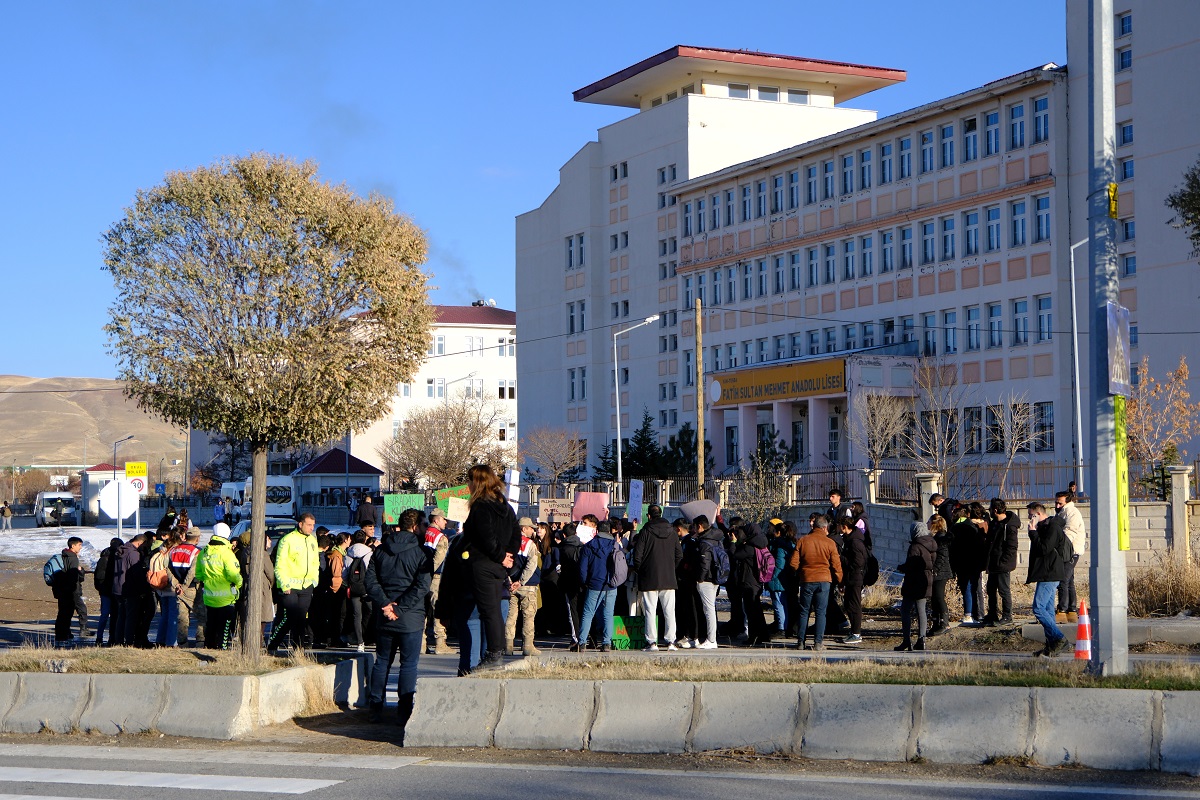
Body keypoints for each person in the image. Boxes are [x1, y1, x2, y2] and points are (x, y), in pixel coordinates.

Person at [364, 507, 432, 736]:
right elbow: (422, 586)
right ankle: (403, 711)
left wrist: (385, 604)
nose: (425, 530)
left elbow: (370, 581)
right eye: (423, 525)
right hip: (409, 616)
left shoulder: (381, 551)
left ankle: (375, 708)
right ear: (414, 527)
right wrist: (399, 608)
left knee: (382, 661)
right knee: (409, 664)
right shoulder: (421, 554)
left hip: (385, 615)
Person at [458, 464, 521, 670]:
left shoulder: (480, 506)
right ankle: (495, 651)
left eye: (469, 481)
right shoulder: (505, 506)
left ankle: (494, 653)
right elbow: (515, 534)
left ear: (476, 482)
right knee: (494, 609)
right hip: (499, 566)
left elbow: (486, 536)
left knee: (489, 611)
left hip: (484, 563)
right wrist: (509, 557)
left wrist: (502, 556)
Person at [266, 513, 319, 654]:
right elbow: (280, 564)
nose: (311, 528)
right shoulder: (288, 540)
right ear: (300, 524)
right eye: (308, 525)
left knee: (301, 619)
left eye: (313, 525)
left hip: (306, 585)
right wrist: (284, 584)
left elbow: (315, 562)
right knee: (290, 618)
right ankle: (273, 645)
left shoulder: (313, 540)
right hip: (290, 586)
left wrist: (314, 580)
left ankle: (298, 650)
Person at [632, 504, 683, 651]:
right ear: (661, 514)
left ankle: (651, 642)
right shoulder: (672, 532)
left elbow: (637, 556)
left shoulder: (645, 531)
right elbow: (679, 555)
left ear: (649, 515)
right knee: (669, 611)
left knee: (650, 610)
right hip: (668, 577)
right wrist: (671, 568)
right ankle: (671, 641)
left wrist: (640, 570)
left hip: (649, 577)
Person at [790, 515, 843, 651]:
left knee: (804, 611)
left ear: (814, 526)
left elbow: (793, 563)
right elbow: (836, 565)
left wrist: (800, 572)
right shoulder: (830, 543)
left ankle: (801, 642)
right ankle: (818, 643)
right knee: (821, 612)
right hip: (824, 580)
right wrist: (840, 580)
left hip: (807, 579)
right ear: (824, 527)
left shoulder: (803, 540)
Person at [1026, 501, 1070, 657]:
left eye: (1031, 516)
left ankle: (1059, 638)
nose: (1029, 519)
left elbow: (1044, 548)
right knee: (1048, 611)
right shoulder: (1043, 527)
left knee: (1038, 608)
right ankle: (1051, 647)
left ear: (1038, 514)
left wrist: (1033, 532)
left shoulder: (1052, 528)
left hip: (1050, 573)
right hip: (1045, 572)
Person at [194, 523, 242, 649]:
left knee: (211, 626)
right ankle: (222, 650)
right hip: (226, 598)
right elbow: (233, 574)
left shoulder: (204, 551)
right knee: (224, 629)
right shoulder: (227, 553)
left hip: (209, 597)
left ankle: (209, 649)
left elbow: (198, 574)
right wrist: (239, 583)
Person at [577, 521, 622, 651]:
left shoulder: (589, 546)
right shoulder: (615, 546)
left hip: (594, 584)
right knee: (608, 614)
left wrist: (585, 581)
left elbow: (582, 569)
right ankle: (607, 643)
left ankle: (582, 643)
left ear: (597, 531)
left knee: (588, 613)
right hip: (611, 584)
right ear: (609, 531)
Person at [729, 521, 771, 647]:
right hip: (756, 581)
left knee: (751, 611)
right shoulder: (761, 543)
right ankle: (763, 635)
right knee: (757, 610)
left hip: (749, 582)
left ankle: (753, 637)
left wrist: (733, 542)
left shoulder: (749, 547)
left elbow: (735, 555)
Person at [895, 521, 937, 651]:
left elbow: (911, 565)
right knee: (921, 610)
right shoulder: (932, 544)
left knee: (905, 610)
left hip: (913, 580)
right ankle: (921, 639)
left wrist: (901, 567)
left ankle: (907, 640)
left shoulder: (915, 546)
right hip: (926, 579)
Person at [504, 517, 542, 656]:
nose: (533, 531)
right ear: (524, 529)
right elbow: (531, 565)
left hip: (510, 585)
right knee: (528, 616)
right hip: (527, 586)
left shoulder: (507, 542)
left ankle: (508, 646)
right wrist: (521, 581)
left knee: (511, 616)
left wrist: (509, 581)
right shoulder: (530, 544)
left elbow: (504, 563)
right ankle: (527, 646)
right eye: (531, 528)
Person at [983, 498, 1020, 626]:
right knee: (991, 589)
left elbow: (1012, 546)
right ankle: (992, 614)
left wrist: (1003, 562)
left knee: (1004, 590)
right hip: (993, 563)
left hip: (1002, 564)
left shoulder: (1009, 526)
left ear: (995, 510)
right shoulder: (994, 524)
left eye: (990, 509)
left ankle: (1007, 615)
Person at [949, 504, 987, 625]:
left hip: (962, 563)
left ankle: (968, 614)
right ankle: (977, 614)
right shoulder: (972, 527)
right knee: (975, 588)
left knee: (966, 588)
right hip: (975, 562)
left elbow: (953, 549)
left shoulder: (955, 528)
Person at [692, 515, 725, 650]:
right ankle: (711, 638)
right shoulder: (716, 539)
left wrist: (700, 578)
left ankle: (711, 639)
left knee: (708, 609)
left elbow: (704, 563)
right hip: (716, 577)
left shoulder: (704, 542)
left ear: (700, 526)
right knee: (710, 608)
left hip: (706, 579)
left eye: (694, 526)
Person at [423, 508, 452, 654]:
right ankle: (440, 643)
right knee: (437, 608)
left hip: (421, 577)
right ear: (436, 520)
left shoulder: (423, 533)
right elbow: (438, 560)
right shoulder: (440, 537)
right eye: (443, 519)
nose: (445, 522)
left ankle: (421, 644)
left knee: (422, 609)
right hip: (435, 577)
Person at [1055, 490, 1085, 624]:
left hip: (1070, 551)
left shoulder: (1072, 513)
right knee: (1069, 581)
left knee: (1063, 580)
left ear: (1068, 502)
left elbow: (1069, 532)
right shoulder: (1063, 512)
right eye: (1056, 502)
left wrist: (1057, 544)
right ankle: (1071, 611)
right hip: (1069, 550)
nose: (1056, 506)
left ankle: (1062, 610)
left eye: (1059, 503)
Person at [168, 529, 201, 646]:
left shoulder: (173, 550)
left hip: (178, 590)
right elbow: (192, 572)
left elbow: (168, 569)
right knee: (201, 616)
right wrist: (185, 586)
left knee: (182, 617)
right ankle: (200, 642)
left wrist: (176, 584)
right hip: (193, 589)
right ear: (197, 539)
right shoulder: (196, 552)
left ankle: (182, 643)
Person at [839, 517, 869, 645]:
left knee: (854, 605)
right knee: (848, 605)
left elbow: (858, 562)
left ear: (845, 526)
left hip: (856, 577)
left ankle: (856, 633)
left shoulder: (855, 542)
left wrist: (842, 558)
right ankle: (853, 631)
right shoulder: (850, 539)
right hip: (851, 577)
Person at [52, 537, 87, 645]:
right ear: (73, 546)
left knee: (62, 613)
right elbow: (73, 576)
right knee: (68, 613)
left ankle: (61, 635)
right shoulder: (73, 558)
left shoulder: (64, 555)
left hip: (61, 589)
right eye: (79, 545)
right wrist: (80, 574)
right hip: (70, 590)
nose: (80, 547)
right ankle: (63, 637)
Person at [149, 533, 182, 647]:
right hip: (170, 587)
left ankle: (160, 640)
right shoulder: (171, 554)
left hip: (160, 588)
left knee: (165, 615)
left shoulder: (158, 553)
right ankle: (171, 642)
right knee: (173, 615)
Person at [558, 523, 586, 650]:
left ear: (564, 535)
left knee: (572, 611)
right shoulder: (582, 546)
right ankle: (585, 636)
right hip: (582, 582)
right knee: (583, 610)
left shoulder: (562, 548)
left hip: (568, 582)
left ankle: (577, 638)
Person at [93, 537, 122, 646]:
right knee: (107, 615)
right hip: (108, 591)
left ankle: (109, 637)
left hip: (108, 591)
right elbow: (100, 577)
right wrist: (104, 589)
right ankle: (101, 637)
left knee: (109, 615)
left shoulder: (106, 557)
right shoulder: (106, 558)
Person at [927, 516, 953, 636]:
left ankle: (944, 623)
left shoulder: (941, 538)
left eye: (929, 522)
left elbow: (942, 556)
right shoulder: (936, 537)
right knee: (934, 598)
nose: (927, 523)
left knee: (939, 597)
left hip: (941, 572)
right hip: (938, 572)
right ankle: (936, 622)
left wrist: (935, 569)